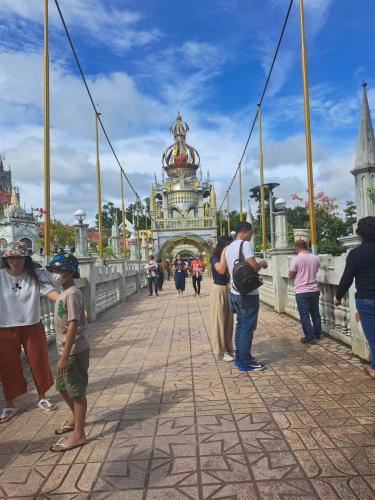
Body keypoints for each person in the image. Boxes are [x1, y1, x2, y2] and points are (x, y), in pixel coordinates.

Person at [0, 241, 59, 423]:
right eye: (10, 258)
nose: (14, 261)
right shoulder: (0, 276)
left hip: (32, 325)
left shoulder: (36, 275)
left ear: (26, 258)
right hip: (4, 327)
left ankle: (42, 396)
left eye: (18, 257)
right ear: (5, 259)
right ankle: (10, 403)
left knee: (38, 361)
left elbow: (51, 293)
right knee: (8, 366)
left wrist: (66, 304)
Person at [46, 254, 90, 452]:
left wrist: (65, 356)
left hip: (73, 351)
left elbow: (73, 325)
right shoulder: (64, 293)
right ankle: (76, 418)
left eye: (61, 271)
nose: (57, 275)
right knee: (63, 386)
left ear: (71, 273)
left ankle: (79, 434)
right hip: (66, 350)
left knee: (77, 390)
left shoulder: (71, 293)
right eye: (55, 271)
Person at [223, 221, 268, 371]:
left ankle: (240, 358)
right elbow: (253, 266)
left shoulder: (228, 248)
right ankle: (245, 361)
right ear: (245, 231)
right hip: (247, 294)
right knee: (247, 327)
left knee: (241, 325)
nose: (252, 235)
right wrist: (262, 263)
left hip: (235, 292)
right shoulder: (245, 244)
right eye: (251, 232)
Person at [334, 216, 375, 379]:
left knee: (373, 336)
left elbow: (347, 278)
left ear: (359, 233)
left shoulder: (356, 253)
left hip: (366, 299)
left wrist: (337, 297)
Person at [288, 239, 321, 344]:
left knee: (304, 314)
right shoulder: (316, 258)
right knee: (315, 312)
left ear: (297, 248)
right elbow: (315, 270)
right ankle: (317, 334)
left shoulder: (296, 259)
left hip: (302, 291)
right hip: (314, 290)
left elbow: (291, 275)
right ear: (306, 247)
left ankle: (310, 337)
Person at [210, 237, 234, 361]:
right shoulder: (215, 258)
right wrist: (224, 253)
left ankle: (229, 348)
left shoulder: (227, 258)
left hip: (227, 289)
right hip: (218, 290)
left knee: (229, 322)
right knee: (219, 321)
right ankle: (220, 351)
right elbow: (220, 270)